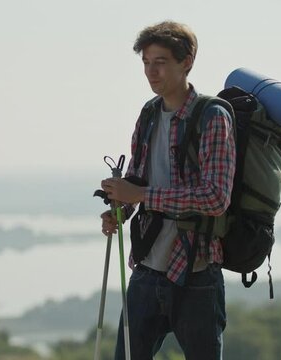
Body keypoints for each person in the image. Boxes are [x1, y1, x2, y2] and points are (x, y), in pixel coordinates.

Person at [99, 21, 236, 360]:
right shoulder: (148, 113)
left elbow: (216, 197)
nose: (151, 71)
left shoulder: (212, 116)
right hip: (146, 269)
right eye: (146, 62)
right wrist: (119, 206)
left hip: (196, 273)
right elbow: (138, 178)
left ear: (186, 61)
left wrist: (141, 197)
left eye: (160, 62)